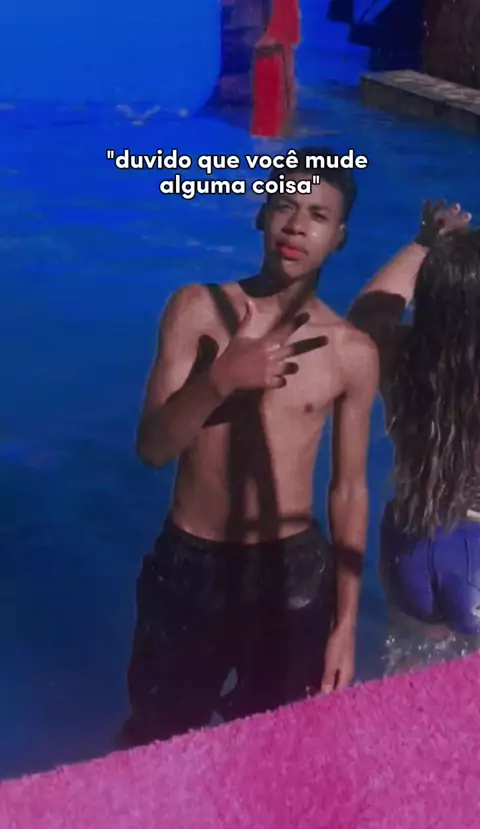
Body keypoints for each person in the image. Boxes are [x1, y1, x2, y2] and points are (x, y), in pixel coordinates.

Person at [119, 146, 379, 747]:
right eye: (285, 204)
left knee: (278, 751)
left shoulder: (352, 353)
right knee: (157, 746)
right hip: (191, 565)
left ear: (339, 237)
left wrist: (345, 626)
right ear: (261, 213)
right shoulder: (194, 310)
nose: (296, 225)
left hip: (292, 576)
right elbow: (152, 449)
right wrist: (219, 381)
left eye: (318, 214)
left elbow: (349, 491)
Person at [348, 201, 480, 669]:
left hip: (414, 542)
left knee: (409, 675)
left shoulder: (401, 358)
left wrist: (424, 244)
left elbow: (363, 318)